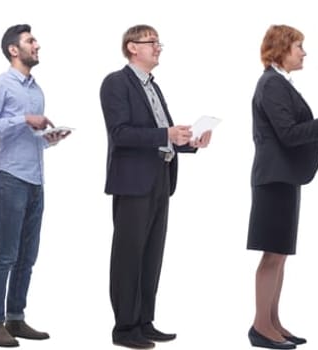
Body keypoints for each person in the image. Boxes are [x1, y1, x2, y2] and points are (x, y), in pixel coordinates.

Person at [100, 24, 212, 350]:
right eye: (152, 42)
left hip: (160, 179)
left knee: (151, 255)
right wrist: (166, 135)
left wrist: (190, 142)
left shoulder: (153, 87)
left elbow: (163, 133)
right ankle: (124, 329)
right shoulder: (116, 83)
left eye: (158, 42)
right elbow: (120, 133)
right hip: (133, 182)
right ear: (132, 47)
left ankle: (144, 322)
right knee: (128, 256)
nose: (158, 47)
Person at [242, 24, 318, 350]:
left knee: (280, 255)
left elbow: (293, 130)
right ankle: (260, 326)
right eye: (299, 46)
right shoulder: (271, 84)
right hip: (274, 179)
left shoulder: (280, 83)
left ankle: (273, 322)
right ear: (281, 48)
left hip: (285, 178)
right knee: (272, 255)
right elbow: (287, 133)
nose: (304, 52)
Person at [0, 23, 62, 348]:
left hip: (36, 178)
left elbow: (33, 138)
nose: (37, 45)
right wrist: (23, 119)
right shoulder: (0, 84)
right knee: (5, 254)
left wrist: (49, 139)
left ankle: (16, 318)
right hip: (10, 177)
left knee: (28, 255)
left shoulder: (37, 90)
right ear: (14, 49)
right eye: (30, 41)